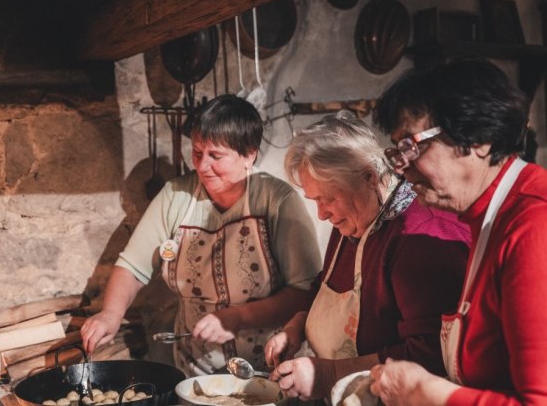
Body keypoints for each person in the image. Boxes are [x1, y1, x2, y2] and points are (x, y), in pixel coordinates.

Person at [81, 94, 323, 375]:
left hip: (268, 368)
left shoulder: (276, 200)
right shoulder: (175, 195)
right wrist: (110, 314)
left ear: (249, 155)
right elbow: (134, 267)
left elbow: (305, 291)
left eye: (215, 156)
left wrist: (238, 317)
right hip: (196, 367)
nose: (202, 166)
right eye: (197, 153)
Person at [368, 58, 547, 405]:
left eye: (411, 145)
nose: (403, 170)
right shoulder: (487, 217)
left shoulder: (532, 227)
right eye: (397, 151)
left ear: (479, 139)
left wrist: (424, 391)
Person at [266, 111, 470, 401]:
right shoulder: (353, 222)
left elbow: (433, 354)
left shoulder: (418, 238)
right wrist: (296, 325)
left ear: (369, 177)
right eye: (315, 200)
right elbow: (326, 286)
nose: (322, 214)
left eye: (330, 198)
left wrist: (331, 374)